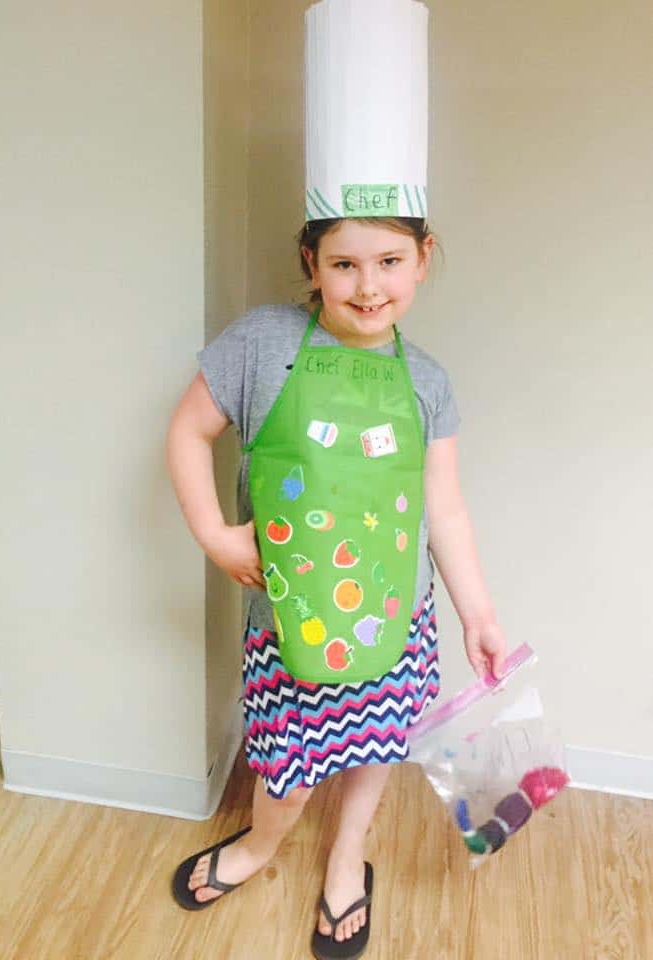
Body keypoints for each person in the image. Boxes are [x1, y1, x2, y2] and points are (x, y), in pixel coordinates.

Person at [167, 213, 508, 959]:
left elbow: (443, 509)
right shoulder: (262, 343)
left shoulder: (427, 381)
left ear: (422, 259)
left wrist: (477, 615)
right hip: (289, 623)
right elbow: (189, 430)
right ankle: (260, 844)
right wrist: (216, 534)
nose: (368, 286)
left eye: (389, 260)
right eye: (344, 264)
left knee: (374, 749)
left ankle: (348, 853)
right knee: (286, 769)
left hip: (395, 620)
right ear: (310, 262)